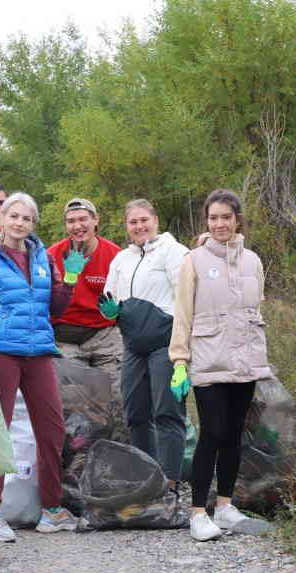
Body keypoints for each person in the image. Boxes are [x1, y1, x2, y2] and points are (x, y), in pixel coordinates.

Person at [0, 192, 85, 542]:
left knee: (51, 431)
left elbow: (57, 309)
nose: (20, 223)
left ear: (33, 224)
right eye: (14, 216)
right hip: (2, 351)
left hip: (39, 352)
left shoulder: (42, 258)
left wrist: (72, 279)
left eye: (27, 219)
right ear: (1, 219)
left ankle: (51, 511)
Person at [168, 188, 273, 541]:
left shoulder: (253, 261)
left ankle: (225, 506)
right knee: (210, 433)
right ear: (206, 221)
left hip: (244, 361)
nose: (219, 224)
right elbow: (182, 313)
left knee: (233, 435)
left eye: (225, 217)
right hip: (209, 360)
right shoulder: (193, 260)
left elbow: (256, 305)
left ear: (237, 219)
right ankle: (198, 513)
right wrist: (179, 360)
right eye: (213, 218)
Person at [99, 198, 189, 492]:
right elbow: (108, 297)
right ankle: (145, 479)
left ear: (155, 220)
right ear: (126, 226)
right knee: (136, 413)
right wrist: (109, 311)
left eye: (143, 220)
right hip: (133, 345)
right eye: (133, 222)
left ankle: (170, 482)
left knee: (167, 412)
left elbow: (187, 300)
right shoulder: (121, 260)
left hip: (166, 343)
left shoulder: (174, 252)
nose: (139, 226)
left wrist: (182, 357)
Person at [46, 198, 124, 433]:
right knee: (75, 407)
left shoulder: (115, 255)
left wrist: (120, 312)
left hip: (104, 333)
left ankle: (118, 453)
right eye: (71, 221)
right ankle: (76, 463)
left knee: (118, 399)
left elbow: (128, 295)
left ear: (95, 221)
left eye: (83, 219)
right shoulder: (52, 255)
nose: (77, 226)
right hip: (65, 337)